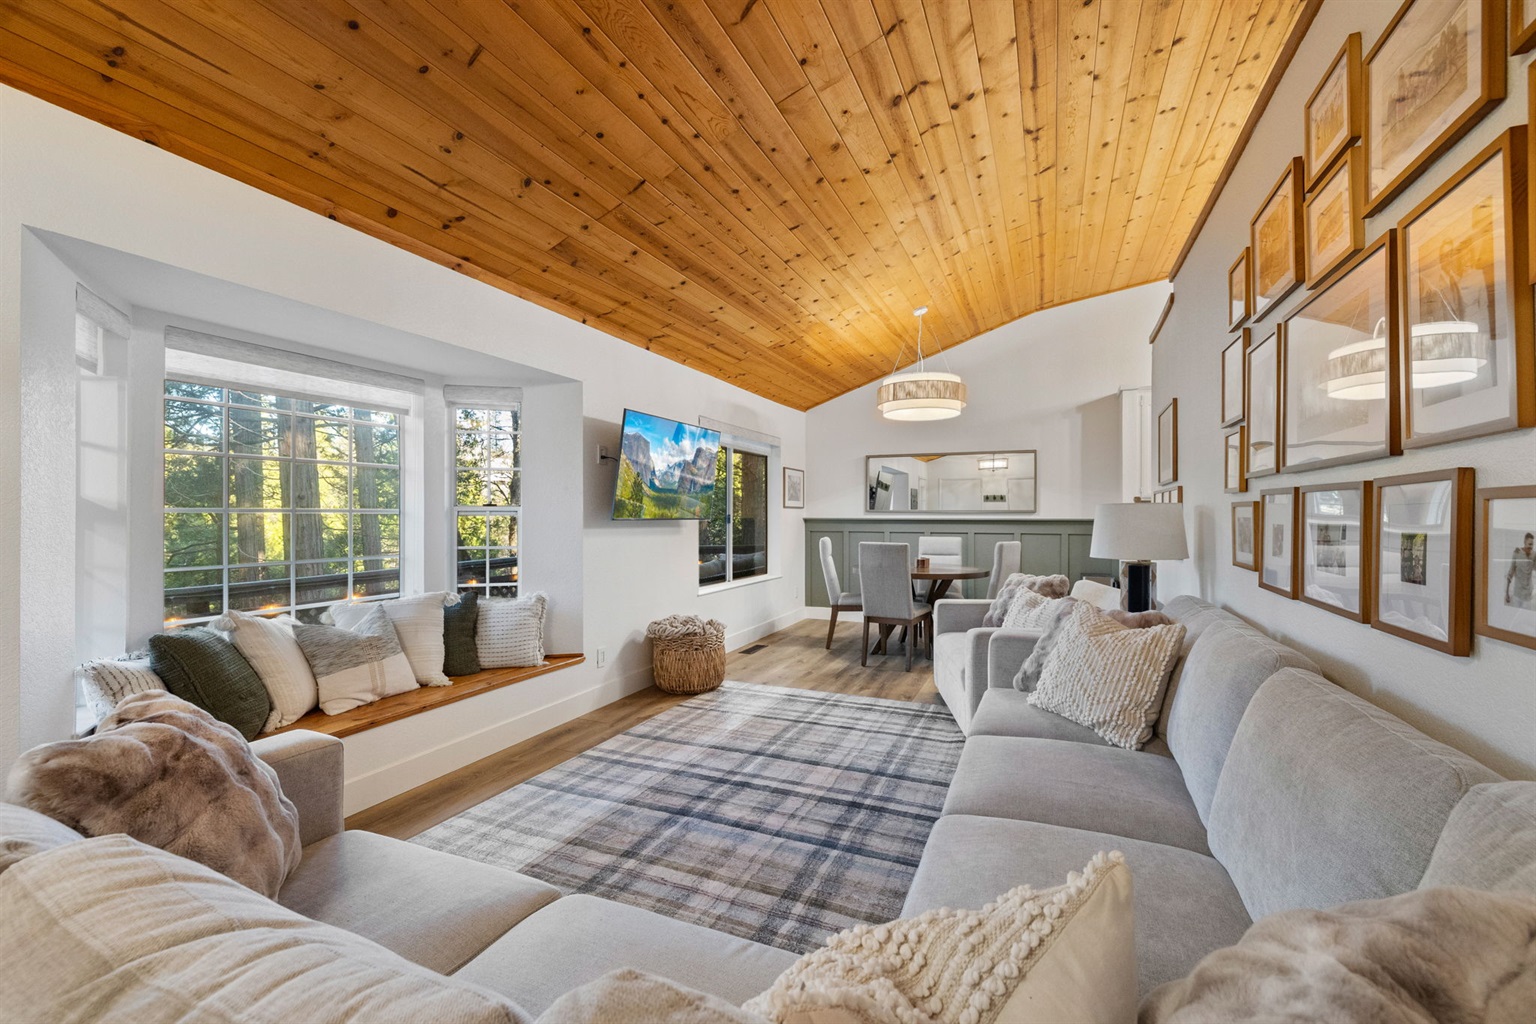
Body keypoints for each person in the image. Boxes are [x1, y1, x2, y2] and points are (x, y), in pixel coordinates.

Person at [1506, 532, 1535, 608]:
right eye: (1529, 544)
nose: (1531, 547)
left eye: (1532, 544)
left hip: (1528, 596)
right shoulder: (1517, 553)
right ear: (1524, 542)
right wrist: (1507, 593)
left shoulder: (1534, 555)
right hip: (1517, 595)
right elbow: (1510, 573)